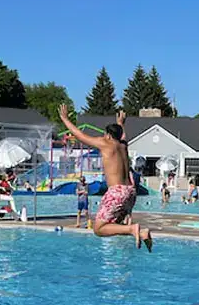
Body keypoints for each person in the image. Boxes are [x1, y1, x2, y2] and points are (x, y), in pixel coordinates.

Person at [59, 104, 152, 251]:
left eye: (104, 134)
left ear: (108, 135)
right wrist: (121, 123)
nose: (103, 137)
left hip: (117, 193)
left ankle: (132, 229)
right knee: (113, 226)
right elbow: (123, 136)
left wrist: (64, 119)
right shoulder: (123, 145)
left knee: (98, 229)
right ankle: (141, 233)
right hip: (131, 192)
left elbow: (79, 135)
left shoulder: (106, 143)